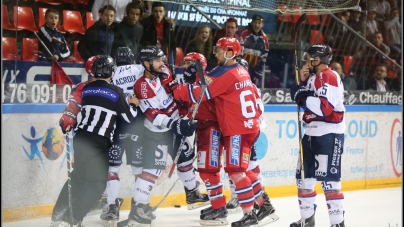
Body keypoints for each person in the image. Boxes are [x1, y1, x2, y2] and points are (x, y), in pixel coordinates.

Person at [172, 37, 274, 227]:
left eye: (219, 51)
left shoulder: (222, 73)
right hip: (245, 127)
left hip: (235, 129)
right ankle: (263, 203)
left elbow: (199, 93)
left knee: (234, 171)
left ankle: (249, 213)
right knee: (240, 170)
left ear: (229, 52)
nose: (215, 54)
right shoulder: (241, 70)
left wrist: (176, 89)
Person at [51, 55, 140, 227]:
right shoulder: (115, 91)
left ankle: (57, 216)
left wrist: (68, 117)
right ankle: (71, 220)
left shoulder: (85, 89)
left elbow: (73, 106)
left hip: (81, 139)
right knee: (97, 185)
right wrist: (133, 103)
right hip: (98, 143)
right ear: (111, 72)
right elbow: (129, 117)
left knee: (77, 179)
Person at [125, 46, 205, 227]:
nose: (163, 63)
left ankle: (192, 192)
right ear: (146, 64)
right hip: (157, 133)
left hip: (174, 126)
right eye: (158, 60)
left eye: (162, 59)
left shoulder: (164, 71)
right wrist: (177, 124)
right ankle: (137, 209)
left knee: (185, 158)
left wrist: (184, 109)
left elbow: (173, 91)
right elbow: (153, 115)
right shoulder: (141, 86)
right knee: (152, 171)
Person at [289, 44, 346, 227]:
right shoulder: (314, 77)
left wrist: (302, 96)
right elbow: (305, 98)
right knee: (304, 180)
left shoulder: (329, 76)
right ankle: (308, 220)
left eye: (310, 57)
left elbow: (324, 108)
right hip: (310, 134)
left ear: (318, 59)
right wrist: (303, 83)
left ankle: (337, 223)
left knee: (330, 183)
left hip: (328, 135)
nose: (307, 61)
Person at [99, 47, 146, 226]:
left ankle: (112, 207)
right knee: (139, 170)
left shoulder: (112, 72)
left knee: (113, 169)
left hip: (117, 126)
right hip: (136, 125)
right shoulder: (139, 68)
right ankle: (140, 207)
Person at [58, 55, 98, 135]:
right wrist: (68, 117)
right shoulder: (81, 87)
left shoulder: (115, 85)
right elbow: (73, 105)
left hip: (107, 135)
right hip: (87, 135)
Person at [238, 14, 269, 87]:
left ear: (262, 25)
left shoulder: (265, 39)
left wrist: (257, 74)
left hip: (254, 71)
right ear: (251, 23)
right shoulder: (243, 33)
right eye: (255, 22)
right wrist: (241, 71)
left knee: (254, 92)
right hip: (242, 70)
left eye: (259, 23)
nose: (257, 25)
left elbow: (263, 58)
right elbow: (239, 54)